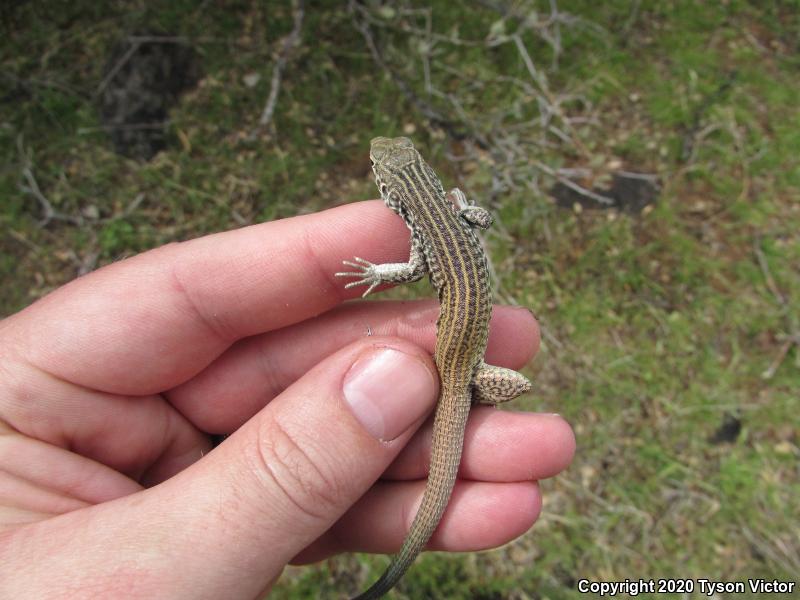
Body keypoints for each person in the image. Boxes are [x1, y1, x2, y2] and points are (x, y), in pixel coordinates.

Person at [0, 200, 575, 598]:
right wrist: (461, 211)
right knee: (497, 383)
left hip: (457, 350)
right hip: (463, 351)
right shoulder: (447, 216)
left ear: (391, 192)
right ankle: (468, 401)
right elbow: (481, 221)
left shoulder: (426, 227)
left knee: (457, 387)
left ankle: (459, 403)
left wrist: (380, 270)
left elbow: (419, 264)